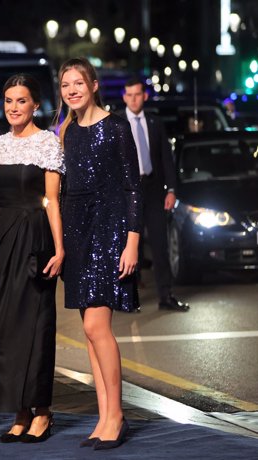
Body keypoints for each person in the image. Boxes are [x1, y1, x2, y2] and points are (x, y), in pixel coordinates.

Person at [58, 58, 142, 450]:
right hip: (77, 232)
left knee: (96, 327)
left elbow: (132, 188)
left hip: (109, 232)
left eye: (78, 83)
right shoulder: (67, 132)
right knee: (89, 334)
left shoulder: (116, 128)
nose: (72, 90)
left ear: (93, 85)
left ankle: (117, 415)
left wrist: (132, 240)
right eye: (65, 85)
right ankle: (104, 414)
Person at [0, 74, 64, 444]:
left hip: (35, 238)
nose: (14, 107)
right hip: (3, 239)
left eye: (22, 101)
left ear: (34, 105)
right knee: (3, 329)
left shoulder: (47, 143)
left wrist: (60, 249)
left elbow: (52, 201)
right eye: (9, 100)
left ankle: (41, 411)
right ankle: (18, 410)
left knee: (36, 325)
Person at [121, 78, 190, 312]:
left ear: (145, 96)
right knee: (129, 244)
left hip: (152, 188)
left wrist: (171, 189)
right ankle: (128, 298)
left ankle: (165, 295)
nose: (133, 99)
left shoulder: (155, 123)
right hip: (128, 190)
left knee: (160, 244)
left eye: (137, 94)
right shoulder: (118, 123)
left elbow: (166, 160)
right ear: (124, 97)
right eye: (129, 95)